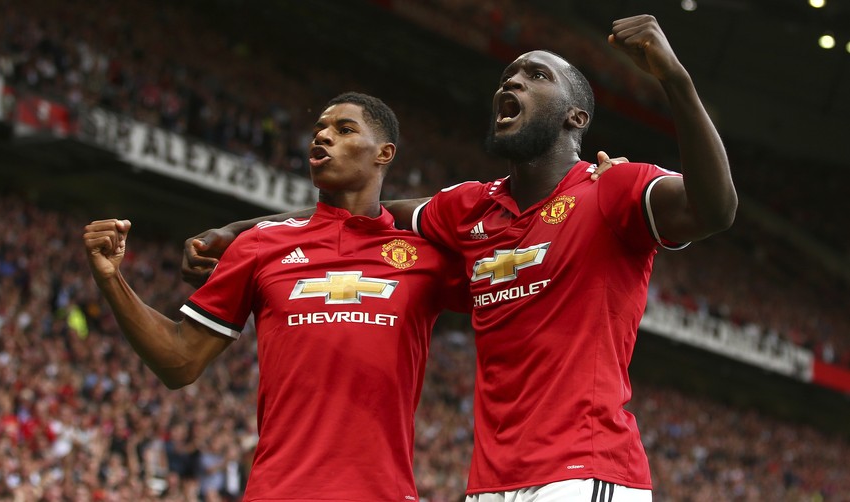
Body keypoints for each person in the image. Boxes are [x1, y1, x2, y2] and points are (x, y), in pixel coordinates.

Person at [182, 16, 737, 501]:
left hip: (584, 470)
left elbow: (714, 209)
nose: (513, 81)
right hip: (490, 482)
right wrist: (239, 230)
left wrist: (676, 82)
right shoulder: (468, 208)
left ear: (576, 117)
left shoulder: (610, 188)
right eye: (507, 76)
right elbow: (358, 213)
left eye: (536, 76)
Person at [84, 92, 477, 501]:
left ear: (384, 153)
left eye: (344, 130)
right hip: (279, 491)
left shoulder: (426, 255)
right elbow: (180, 361)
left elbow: (512, 290)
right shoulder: (259, 245)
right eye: (319, 129)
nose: (323, 136)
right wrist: (113, 280)